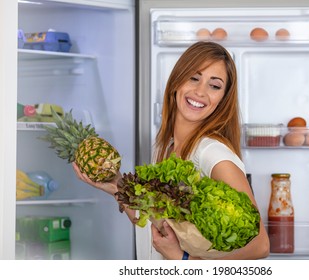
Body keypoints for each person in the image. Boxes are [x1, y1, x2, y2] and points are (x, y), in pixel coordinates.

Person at [72, 41, 270, 260]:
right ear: (177, 81)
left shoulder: (213, 154)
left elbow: (260, 246)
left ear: (223, 99)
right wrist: (117, 186)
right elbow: (157, 227)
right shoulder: (165, 148)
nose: (200, 92)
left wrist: (183, 260)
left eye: (214, 86)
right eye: (194, 78)